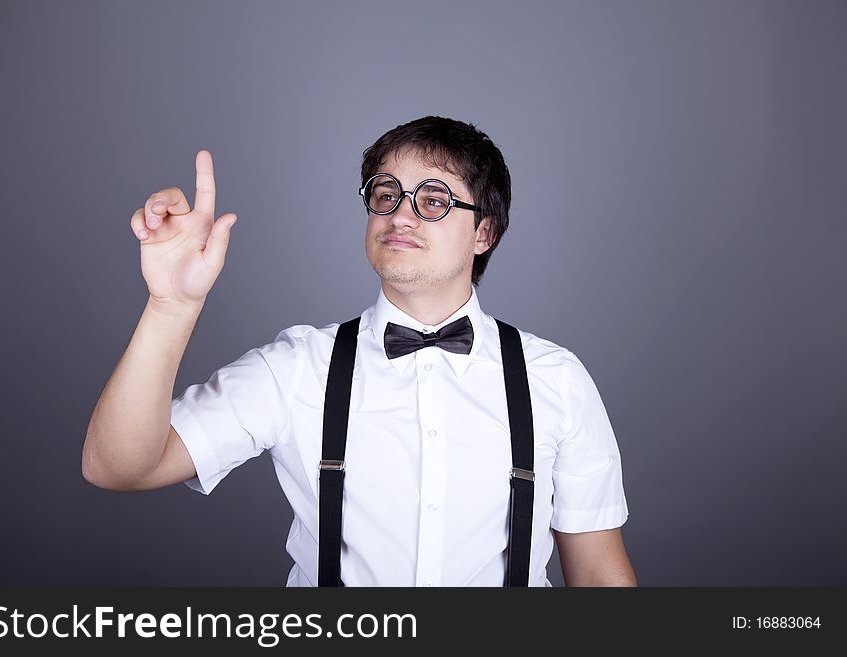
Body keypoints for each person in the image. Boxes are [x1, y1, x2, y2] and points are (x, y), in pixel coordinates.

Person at [82, 115, 637, 587]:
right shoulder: (298, 367)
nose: (401, 213)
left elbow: (598, 576)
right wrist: (171, 304)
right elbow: (118, 467)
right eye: (386, 194)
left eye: (435, 199)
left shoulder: (555, 378)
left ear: (483, 233)